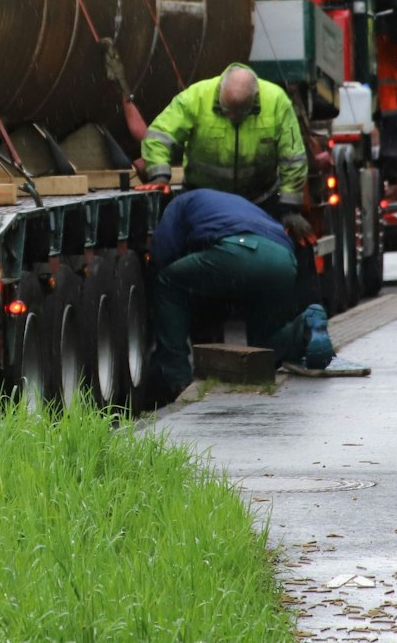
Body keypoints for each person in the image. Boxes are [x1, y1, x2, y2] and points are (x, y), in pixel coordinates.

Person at [143, 187, 333, 403]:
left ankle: (174, 377)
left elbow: (162, 254)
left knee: (168, 282)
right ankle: (306, 326)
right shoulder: (239, 202)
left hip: (238, 251)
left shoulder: (177, 205)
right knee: (265, 346)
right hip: (282, 259)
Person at [140, 64, 310, 234]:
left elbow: (293, 158)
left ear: (256, 95)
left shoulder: (276, 102)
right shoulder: (195, 98)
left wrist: (290, 210)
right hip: (203, 201)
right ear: (220, 88)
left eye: (240, 112)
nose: (233, 118)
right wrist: (159, 176)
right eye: (227, 110)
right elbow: (159, 135)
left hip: (259, 202)